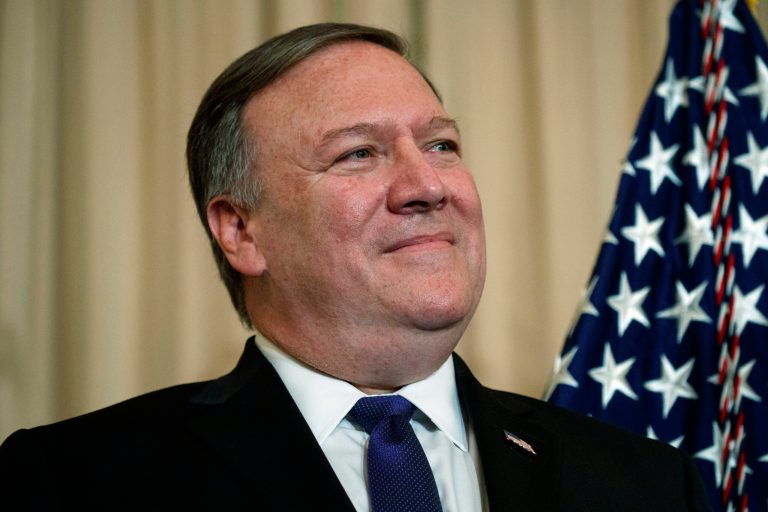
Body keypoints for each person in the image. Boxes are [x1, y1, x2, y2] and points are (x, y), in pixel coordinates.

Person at [0, 23, 711, 511]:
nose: (427, 186)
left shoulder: (644, 483)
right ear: (241, 230)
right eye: (358, 154)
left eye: (439, 145)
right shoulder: (73, 483)